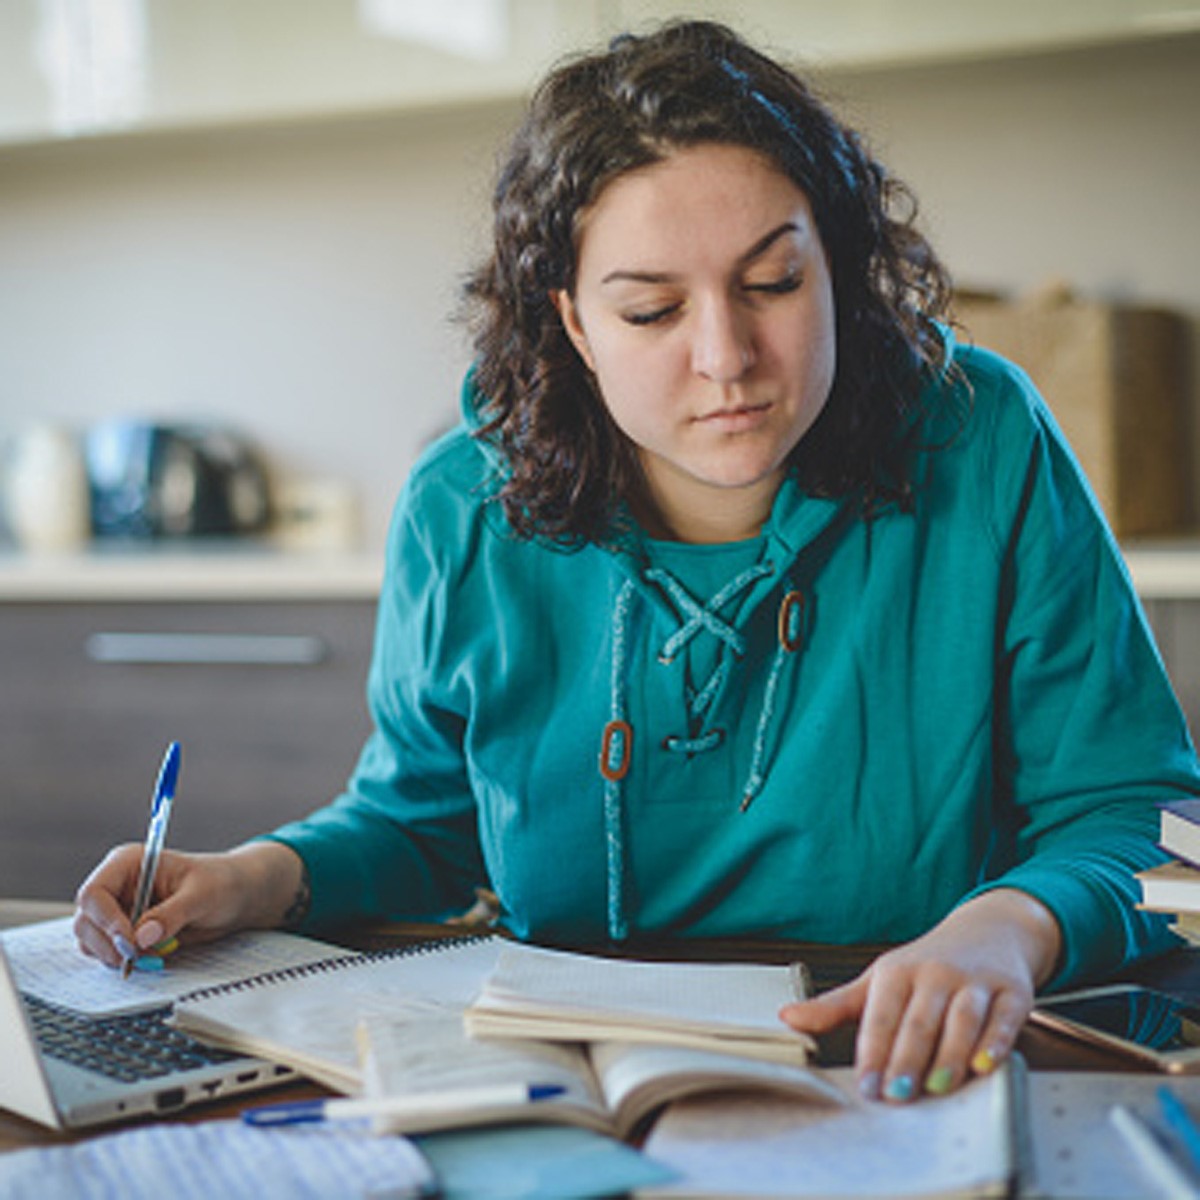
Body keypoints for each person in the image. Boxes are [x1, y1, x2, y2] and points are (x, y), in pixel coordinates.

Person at [74, 19, 1200, 1105]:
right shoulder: (460, 503)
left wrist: (1006, 930)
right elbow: (425, 818)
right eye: (653, 310)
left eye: (774, 283)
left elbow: (1135, 814)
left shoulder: (983, 439)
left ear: (840, 266)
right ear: (573, 323)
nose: (727, 358)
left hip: (899, 1059)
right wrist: (253, 878)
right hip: (561, 1067)